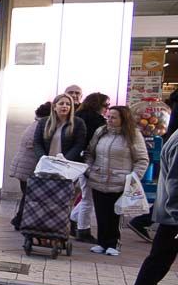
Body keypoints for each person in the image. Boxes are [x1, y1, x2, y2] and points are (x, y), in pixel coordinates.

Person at [126, 127, 178, 285]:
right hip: (173, 217)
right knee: (158, 262)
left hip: (171, 215)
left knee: (158, 261)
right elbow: (175, 182)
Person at [83, 106, 148, 256]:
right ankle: (101, 242)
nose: (109, 120)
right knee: (100, 212)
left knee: (115, 214)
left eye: (113, 117)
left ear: (123, 119)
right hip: (98, 178)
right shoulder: (100, 132)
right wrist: (89, 170)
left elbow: (142, 160)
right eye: (108, 117)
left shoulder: (133, 135)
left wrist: (132, 178)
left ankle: (113, 243)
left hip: (120, 181)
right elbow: (90, 153)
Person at [127, 87, 178, 242]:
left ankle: (142, 220)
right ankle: (142, 220)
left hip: (171, 212)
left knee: (160, 256)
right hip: (173, 214)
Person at [70, 92, 110, 242]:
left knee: (87, 195)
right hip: (89, 162)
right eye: (106, 105)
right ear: (98, 105)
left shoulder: (78, 116)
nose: (107, 109)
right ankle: (83, 230)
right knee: (88, 197)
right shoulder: (97, 122)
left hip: (78, 160)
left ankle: (74, 219)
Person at [8, 102, 52, 230]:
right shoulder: (42, 126)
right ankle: (19, 220)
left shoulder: (35, 124)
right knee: (29, 195)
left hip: (23, 165)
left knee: (27, 195)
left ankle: (19, 220)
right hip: (29, 166)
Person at [33, 93, 87, 164]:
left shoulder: (78, 123)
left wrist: (64, 160)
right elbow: (37, 143)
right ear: (54, 107)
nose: (65, 106)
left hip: (67, 164)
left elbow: (79, 145)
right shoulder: (43, 122)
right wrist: (43, 158)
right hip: (46, 164)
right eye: (61, 103)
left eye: (68, 104)